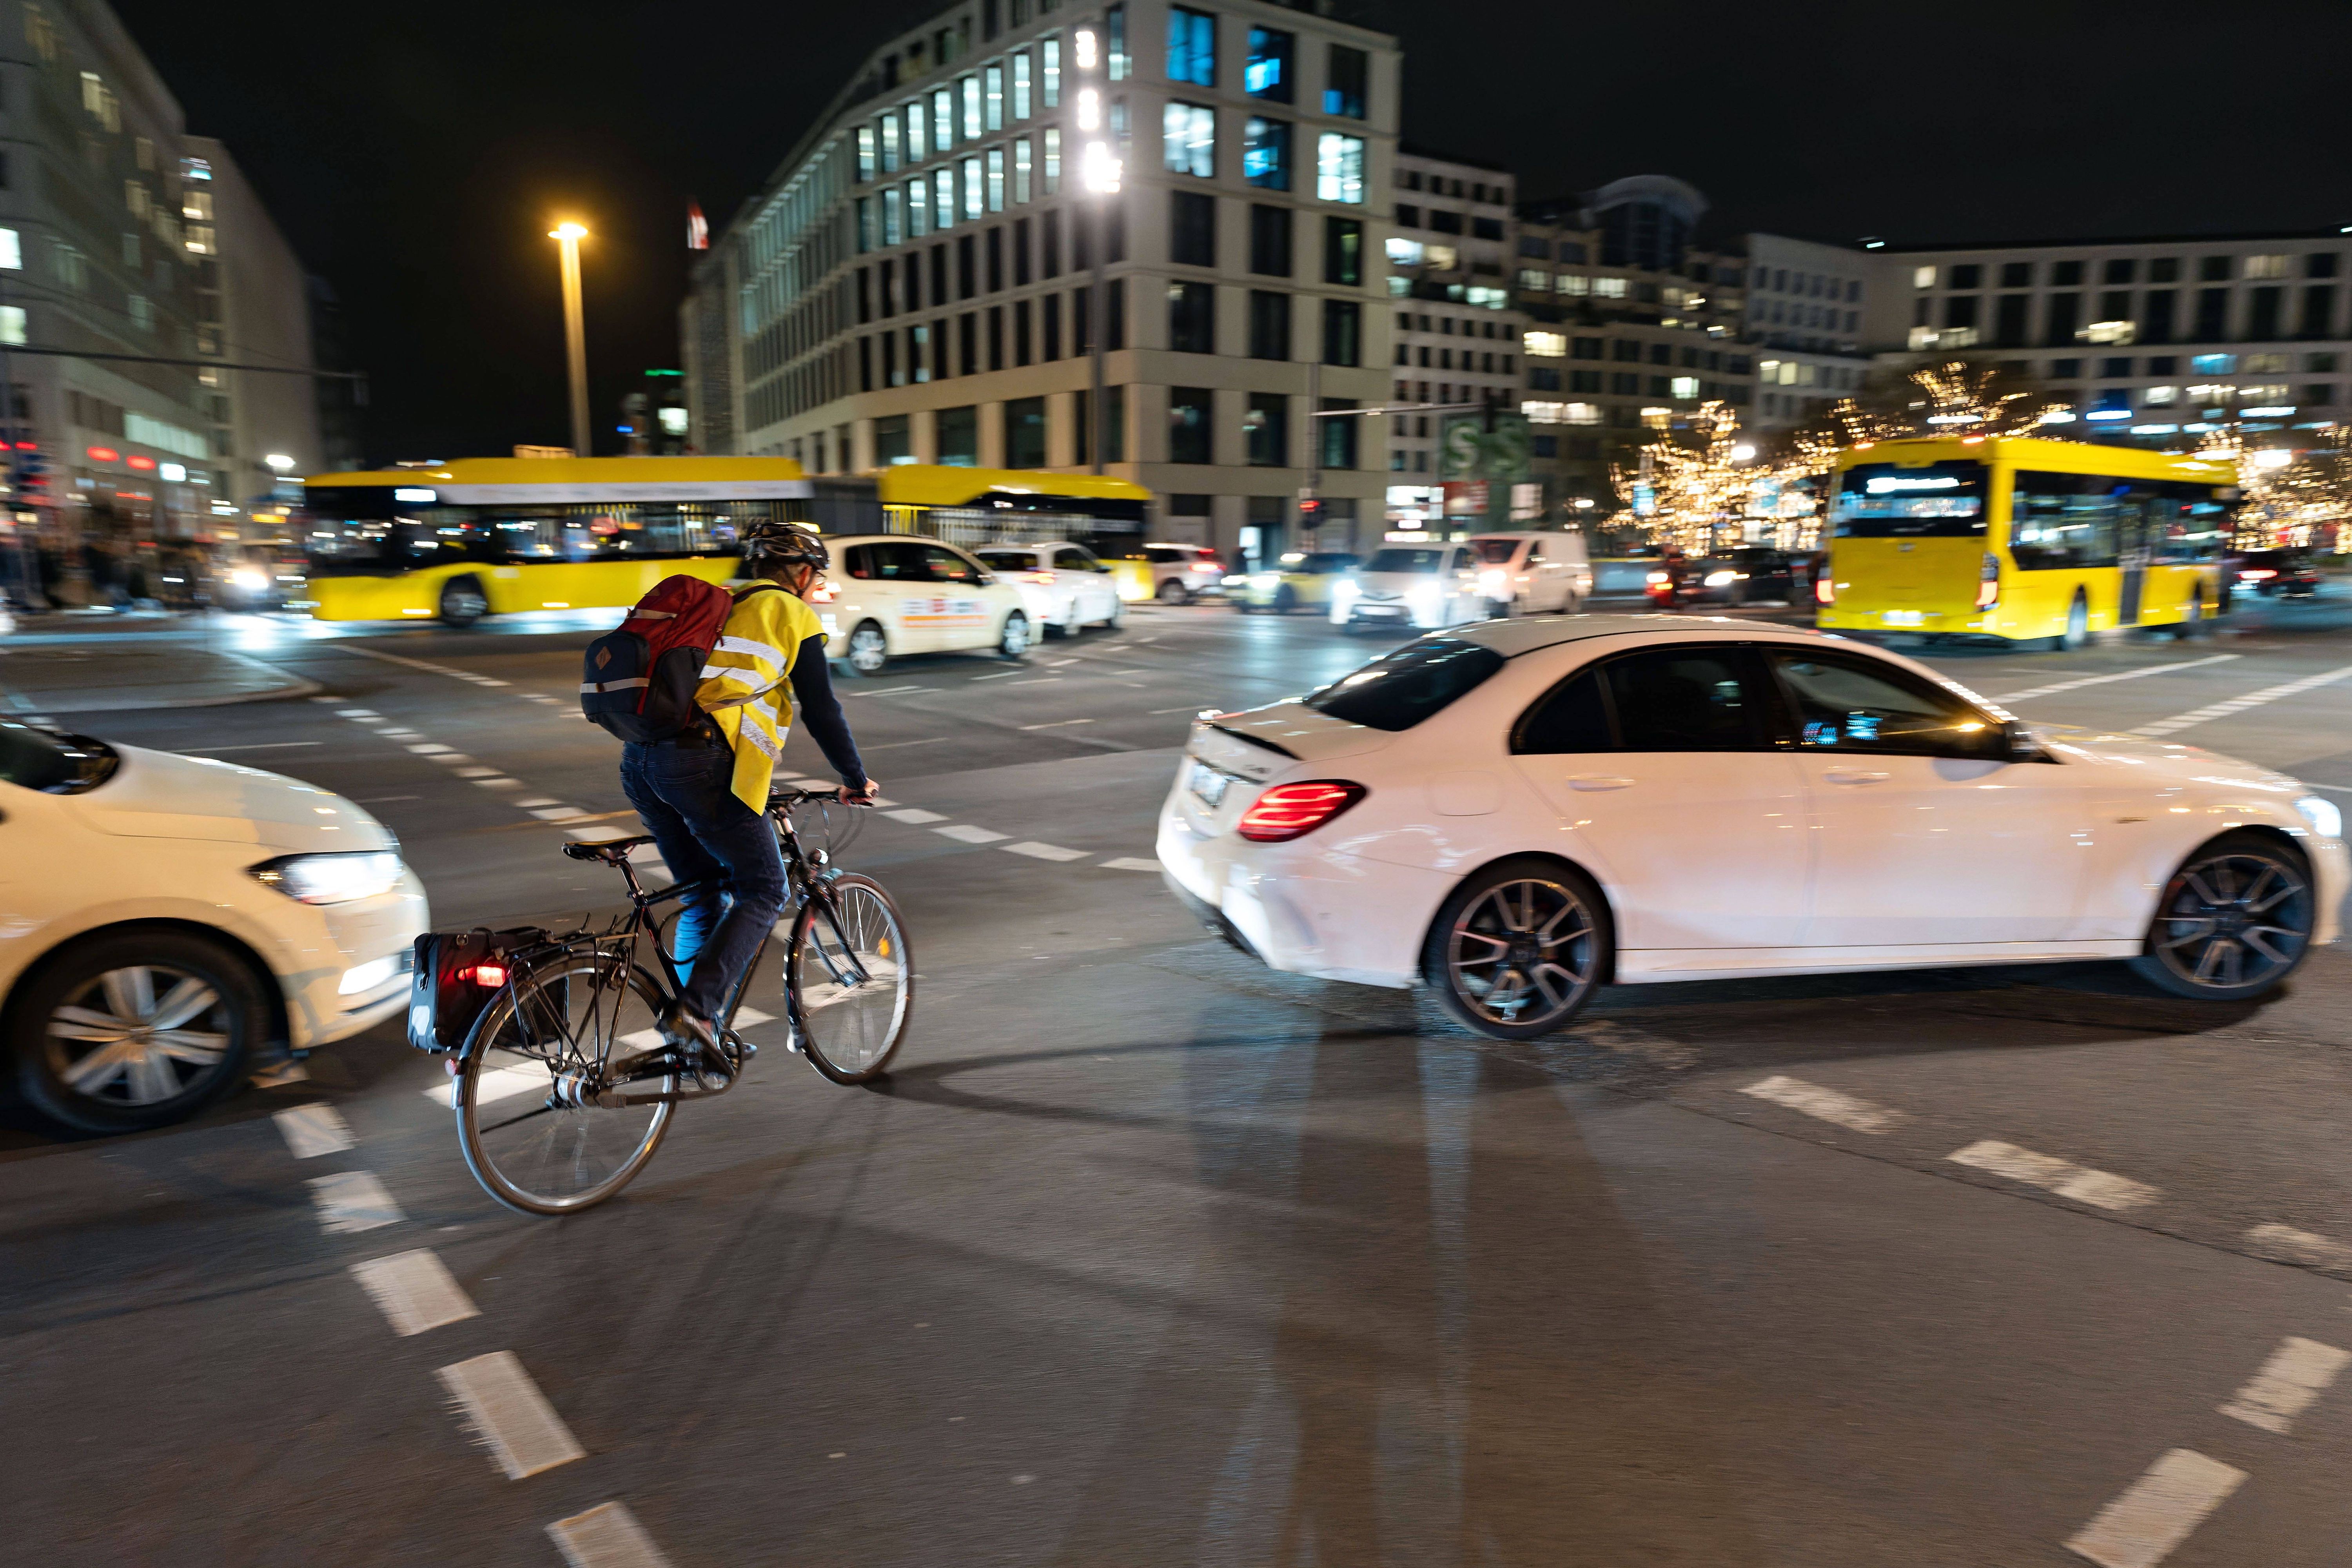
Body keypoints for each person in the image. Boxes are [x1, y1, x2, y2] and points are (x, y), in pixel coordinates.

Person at [618, 521, 876, 1063]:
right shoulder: (792, 613)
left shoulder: (720, 602)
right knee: (764, 888)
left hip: (642, 762)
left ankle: (689, 1029)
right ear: (803, 575)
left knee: (703, 893)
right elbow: (822, 710)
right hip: (700, 764)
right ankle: (698, 1013)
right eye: (816, 577)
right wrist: (854, 777)